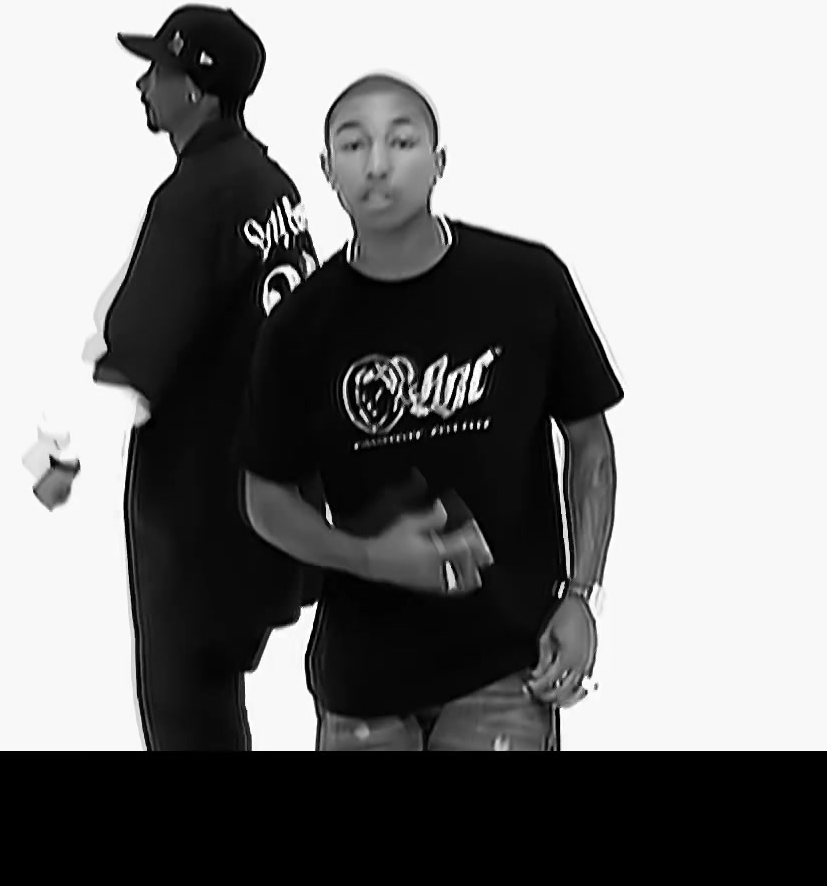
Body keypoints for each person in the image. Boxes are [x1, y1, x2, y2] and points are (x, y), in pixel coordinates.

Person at [233, 72, 623, 751]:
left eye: (402, 141)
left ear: (439, 162)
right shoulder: (298, 326)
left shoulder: (526, 282)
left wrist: (582, 594)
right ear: (327, 170)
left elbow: (589, 442)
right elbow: (264, 497)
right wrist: (369, 556)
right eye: (354, 145)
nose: (377, 164)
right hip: (363, 676)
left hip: (507, 665)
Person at [25, 4, 323, 751]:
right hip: (271, 498)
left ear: (197, 90)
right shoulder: (270, 184)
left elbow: (130, 370)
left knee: (187, 717)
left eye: (157, 70)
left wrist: (57, 458)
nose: (142, 85)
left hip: (201, 518)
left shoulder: (195, 199)